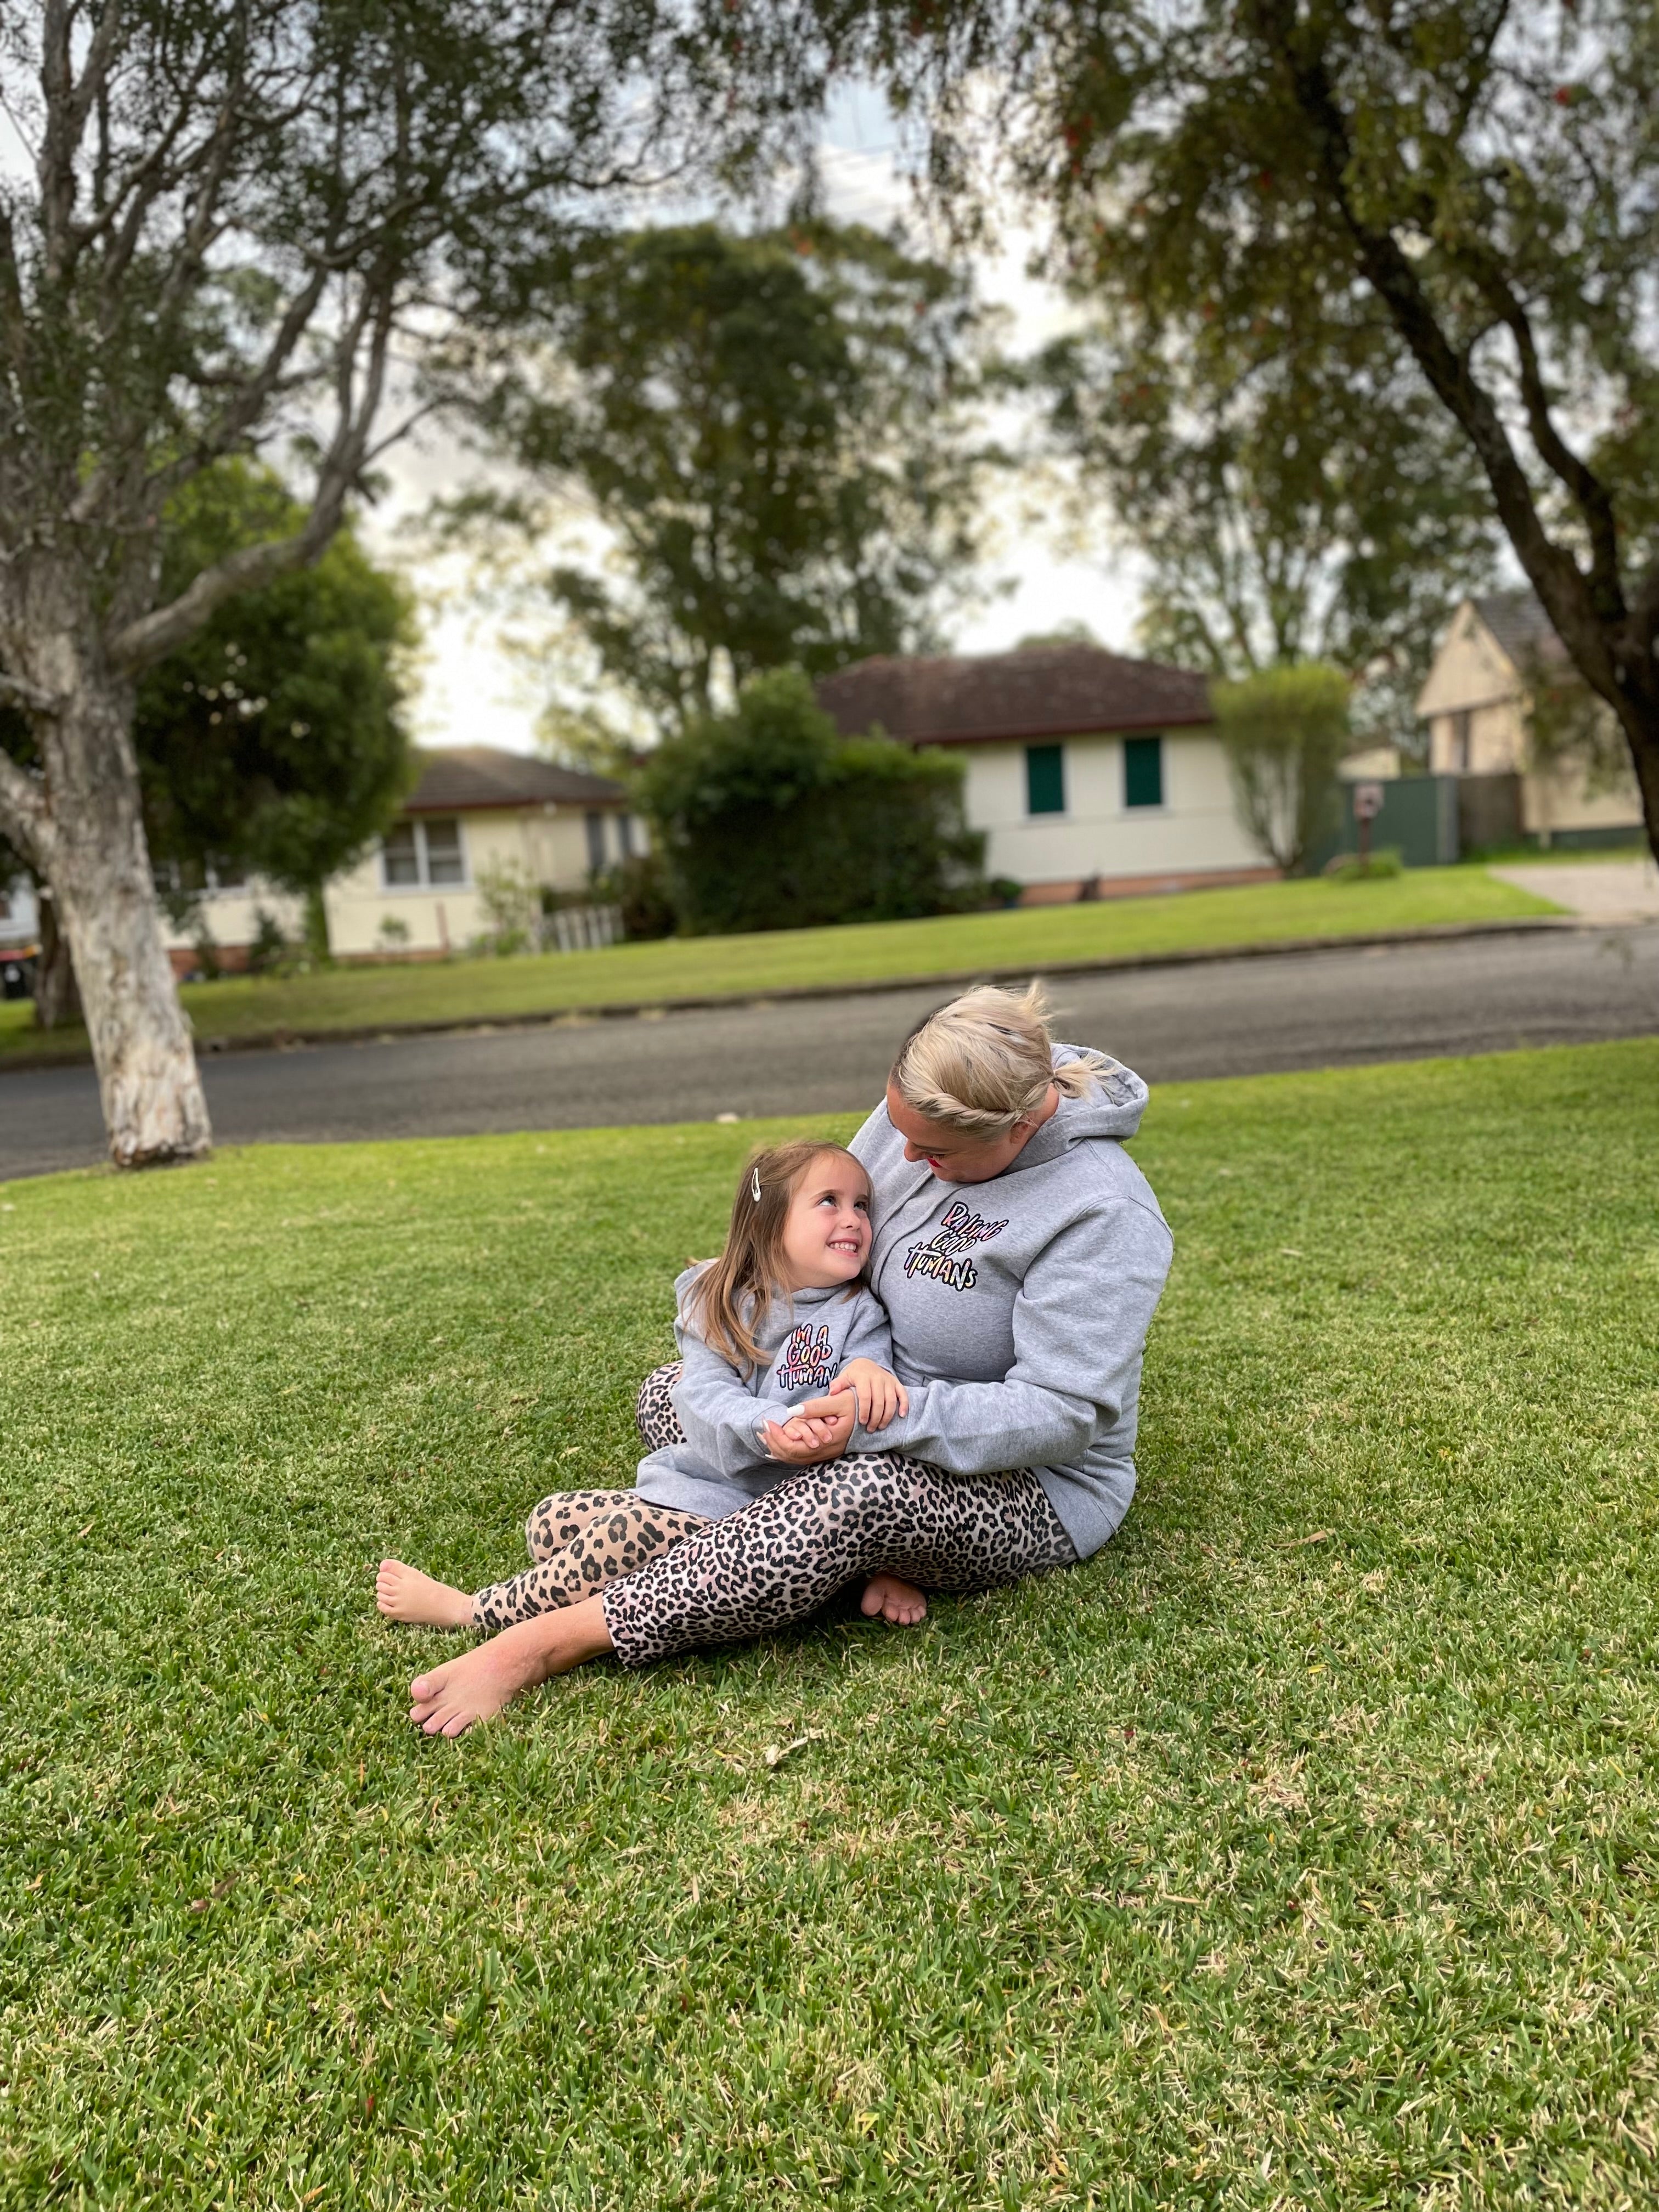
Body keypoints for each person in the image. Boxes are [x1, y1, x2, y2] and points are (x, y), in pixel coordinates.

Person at [401, 982, 1173, 1737]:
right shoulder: (934, 1102)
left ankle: (549, 1638)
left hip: (1025, 1481)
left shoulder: (1103, 1211)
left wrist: (874, 1423)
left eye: (931, 1153)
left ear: (1012, 1131)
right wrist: (759, 1302)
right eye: (898, 1131)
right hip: (851, 1387)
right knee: (672, 1392)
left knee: (853, 1494)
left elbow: (1068, 1413)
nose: (902, 1158)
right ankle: (804, 1548)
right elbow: (828, 1218)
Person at [375, 1138, 913, 1636]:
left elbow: (867, 1386)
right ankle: (850, 1582)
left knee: (623, 1535)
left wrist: (869, 1377)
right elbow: (702, 1395)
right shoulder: (719, 1299)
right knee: (549, 1522)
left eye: (862, 1205)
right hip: (708, 1479)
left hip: (777, 1514)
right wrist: (765, 1426)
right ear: (770, 1224)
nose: (854, 1219)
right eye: (830, 1202)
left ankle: (472, 1610)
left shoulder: (857, 1310)